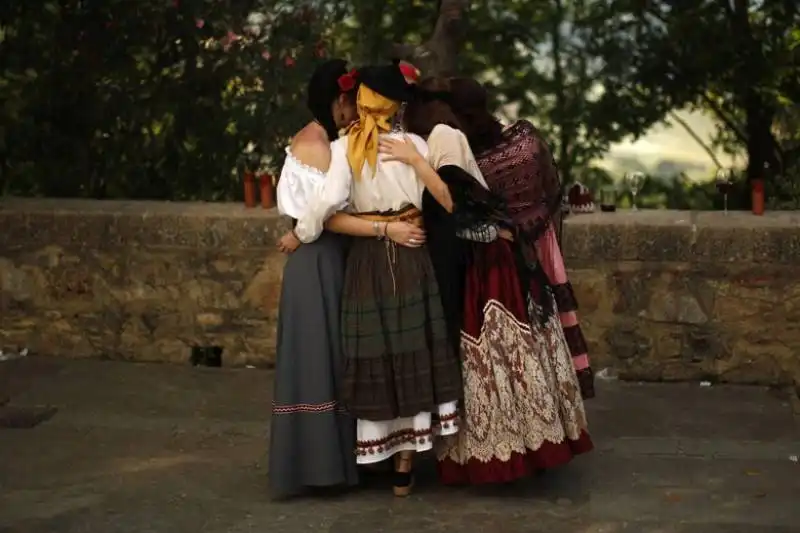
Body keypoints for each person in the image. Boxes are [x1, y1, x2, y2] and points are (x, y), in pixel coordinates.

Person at [379, 77, 593, 485]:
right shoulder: (494, 141)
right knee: (508, 355)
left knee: (495, 357)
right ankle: (527, 446)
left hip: (487, 260)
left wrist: (416, 162)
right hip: (500, 254)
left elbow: (456, 204)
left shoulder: (449, 141)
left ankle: (511, 452)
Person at [292, 63, 462, 497]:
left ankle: (383, 456)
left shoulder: (347, 146)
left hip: (370, 259)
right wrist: (413, 164)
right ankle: (405, 461)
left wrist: (299, 233)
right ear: (395, 105)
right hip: (410, 254)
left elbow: (327, 207)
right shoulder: (413, 143)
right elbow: (445, 201)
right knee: (408, 349)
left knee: (376, 350)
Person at [268, 59, 426, 499]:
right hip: (320, 262)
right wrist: (385, 225)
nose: (357, 111)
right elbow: (329, 215)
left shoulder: (327, 138)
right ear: (340, 102)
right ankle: (322, 464)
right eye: (352, 103)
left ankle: (347, 458)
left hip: (328, 258)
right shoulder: (321, 145)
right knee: (321, 361)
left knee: (337, 359)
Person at [448, 76, 596, 400]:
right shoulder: (525, 138)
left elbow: (466, 213)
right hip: (542, 239)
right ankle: (560, 401)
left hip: (503, 249)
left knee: (518, 332)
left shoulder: (469, 159)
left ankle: (530, 408)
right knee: (549, 326)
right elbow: (553, 189)